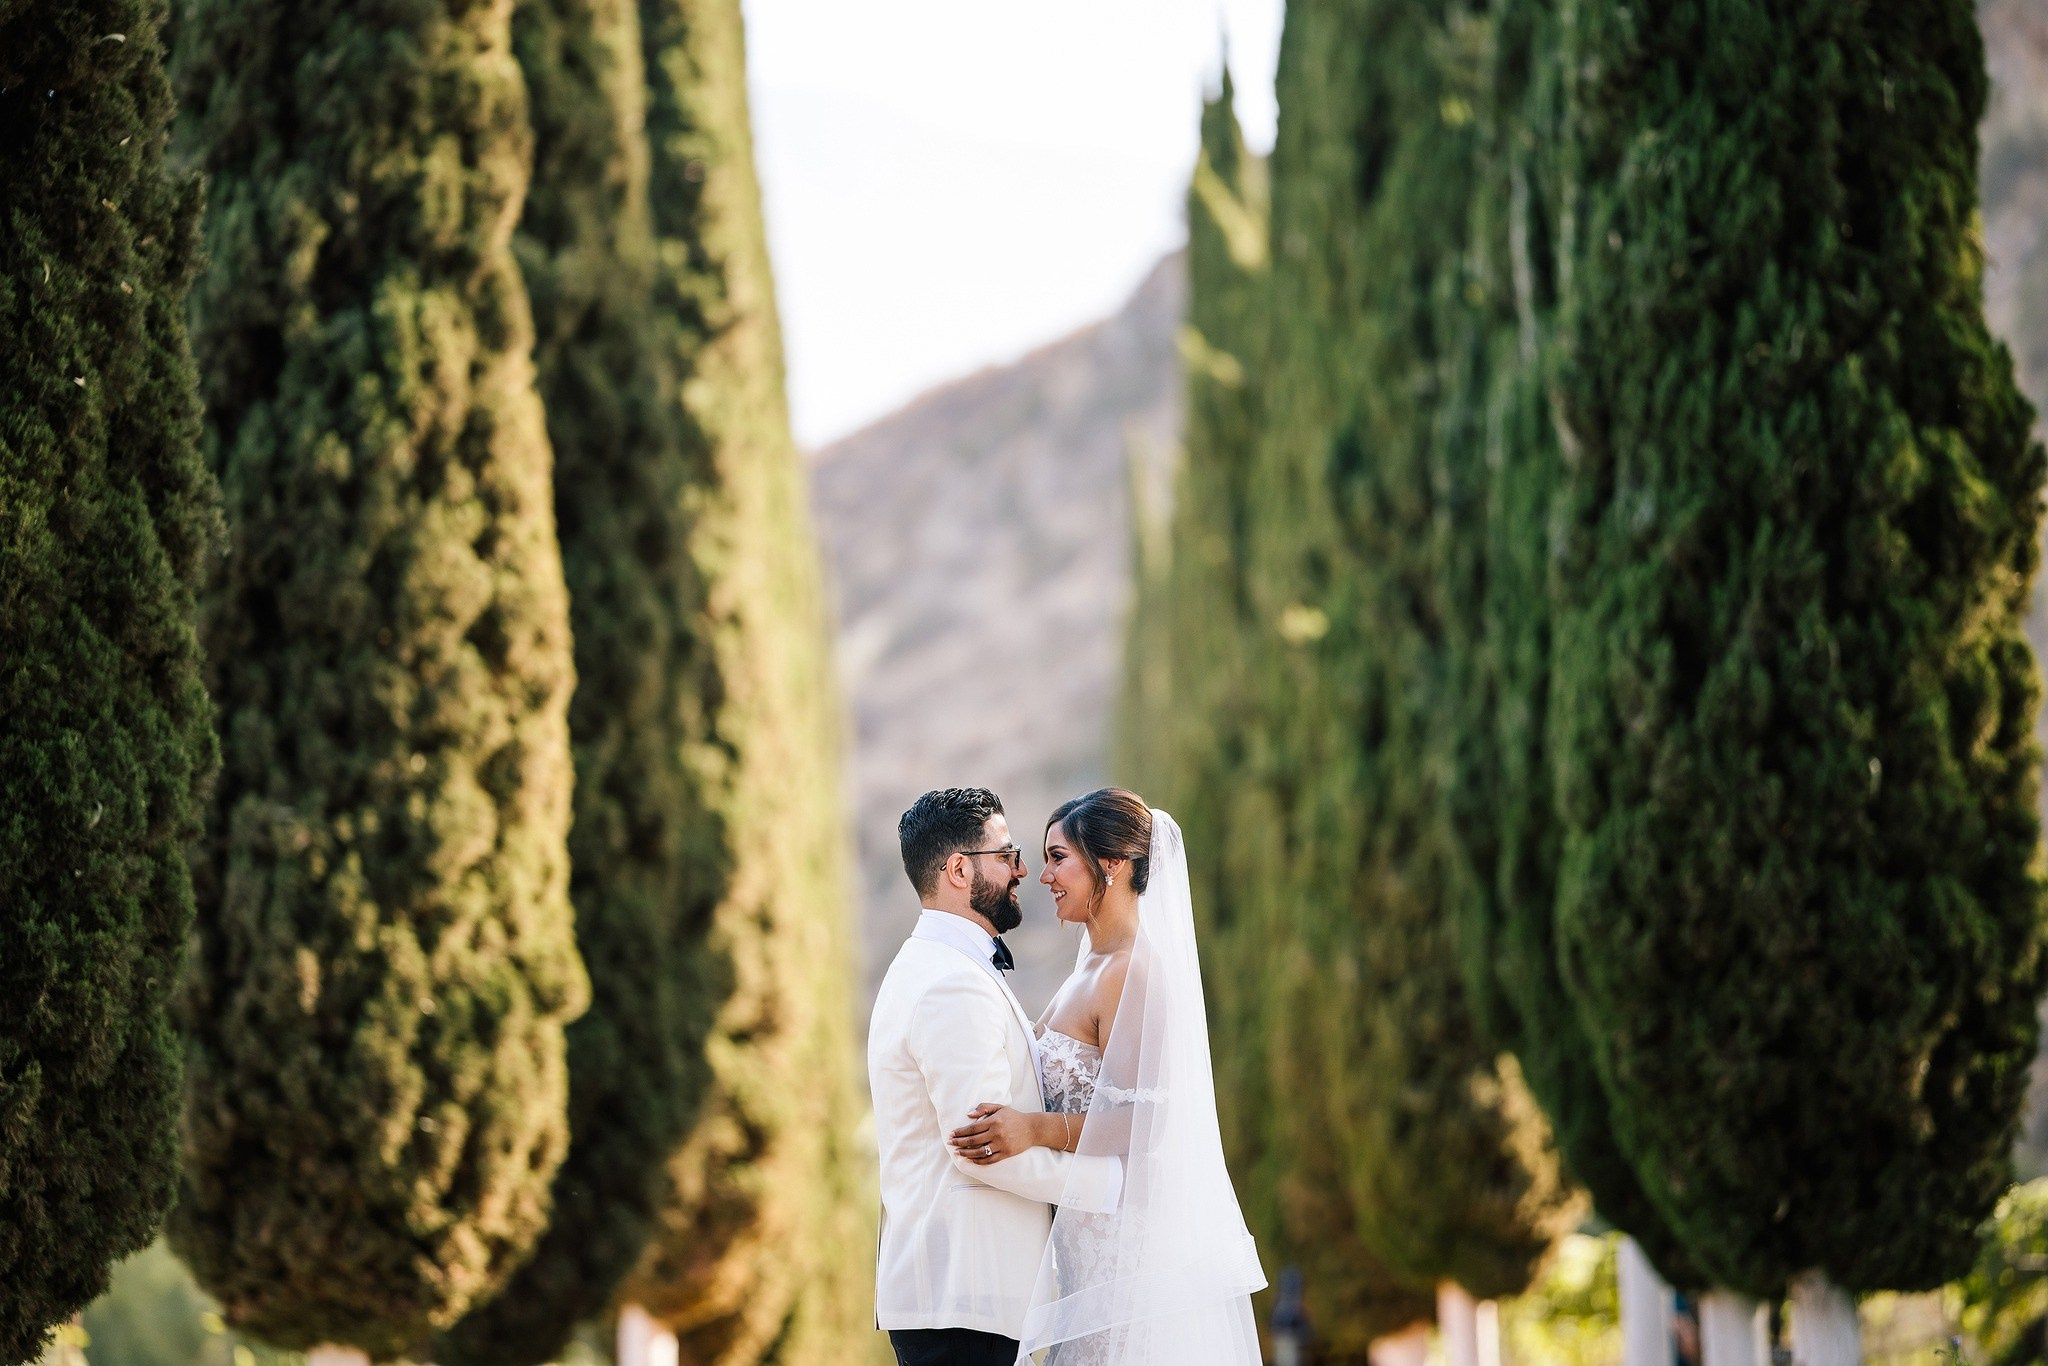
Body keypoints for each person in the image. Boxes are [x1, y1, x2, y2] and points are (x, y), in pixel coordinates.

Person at [948, 788, 1265, 1365]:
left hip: (1126, 1258)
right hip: (1079, 1253)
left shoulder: (1133, 970)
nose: (1041, 875)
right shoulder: (1088, 966)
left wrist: (1035, 1130)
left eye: (1057, 857)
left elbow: (1151, 1121)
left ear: (1113, 865)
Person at [869, 787, 1123, 1366]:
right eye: (1007, 855)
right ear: (960, 869)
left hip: (963, 1296)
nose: (1023, 870)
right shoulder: (949, 983)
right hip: (964, 1297)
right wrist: (1109, 1188)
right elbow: (982, 1148)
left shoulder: (944, 968)